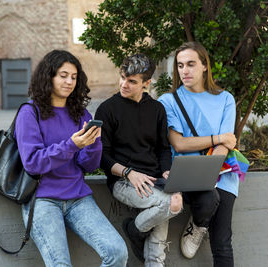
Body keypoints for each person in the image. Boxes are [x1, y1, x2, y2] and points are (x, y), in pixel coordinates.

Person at [14, 50, 128, 267]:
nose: (69, 81)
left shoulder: (82, 115)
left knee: (117, 252)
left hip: (78, 197)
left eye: (74, 77)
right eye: (63, 75)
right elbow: (33, 163)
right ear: (49, 77)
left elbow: (89, 165)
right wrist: (72, 145)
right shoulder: (29, 113)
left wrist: (94, 144)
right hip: (42, 199)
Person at [94, 54, 183, 267]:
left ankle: (143, 243)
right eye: (122, 77)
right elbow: (101, 157)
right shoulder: (107, 109)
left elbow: (163, 148)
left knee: (176, 203)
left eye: (132, 81)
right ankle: (134, 229)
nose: (124, 84)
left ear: (146, 83)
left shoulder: (156, 109)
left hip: (154, 180)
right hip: (122, 181)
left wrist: (166, 172)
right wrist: (128, 173)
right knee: (168, 203)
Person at [158, 42, 238, 266]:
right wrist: (217, 138)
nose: (185, 71)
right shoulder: (168, 101)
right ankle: (201, 219)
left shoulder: (225, 99)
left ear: (204, 66)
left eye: (191, 64)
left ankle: (200, 223)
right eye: (180, 65)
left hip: (221, 172)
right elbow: (180, 144)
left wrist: (211, 169)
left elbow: (227, 143)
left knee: (222, 241)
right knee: (208, 199)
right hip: (186, 173)